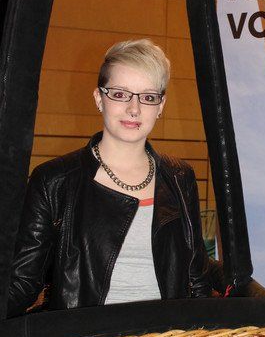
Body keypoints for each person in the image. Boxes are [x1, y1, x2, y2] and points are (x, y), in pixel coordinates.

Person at [8, 38, 218, 317]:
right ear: (99, 98)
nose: (134, 109)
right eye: (120, 94)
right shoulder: (53, 181)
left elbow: (197, 279)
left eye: (148, 97)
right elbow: (23, 282)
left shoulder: (181, 177)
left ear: (161, 105)